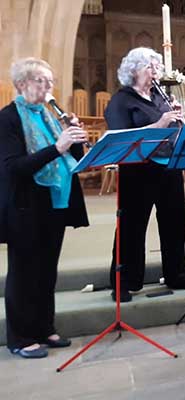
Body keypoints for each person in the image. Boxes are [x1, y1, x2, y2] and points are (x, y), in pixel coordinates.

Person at [0, 58, 89, 358]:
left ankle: (43, 328)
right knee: (23, 273)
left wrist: (75, 137)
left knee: (47, 271)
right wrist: (59, 146)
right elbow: (14, 167)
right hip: (26, 205)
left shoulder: (51, 114)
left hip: (55, 203)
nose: (48, 86)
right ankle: (20, 338)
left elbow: (73, 156)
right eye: (41, 80)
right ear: (22, 83)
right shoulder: (8, 118)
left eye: (50, 81)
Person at [104, 47, 185, 302]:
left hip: (168, 167)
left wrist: (177, 120)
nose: (156, 72)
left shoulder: (160, 98)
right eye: (150, 67)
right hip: (137, 171)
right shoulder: (121, 100)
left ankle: (176, 274)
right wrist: (160, 123)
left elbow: (174, 131)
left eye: (157, 67)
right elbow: (120, 137)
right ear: (133, 70)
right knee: (132, 226)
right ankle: (124, 282)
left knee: (174, 223)